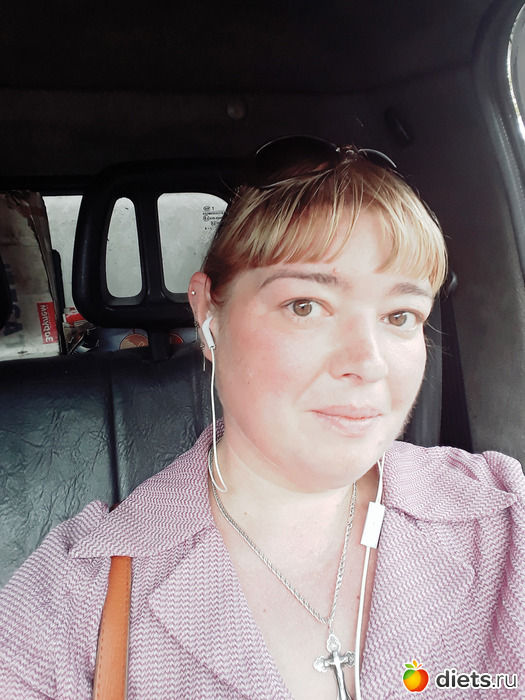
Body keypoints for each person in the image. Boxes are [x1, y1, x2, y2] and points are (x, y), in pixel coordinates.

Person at [0, 136, 523, 700]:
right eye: (305, 306)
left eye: (400, 315)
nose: (369, 362)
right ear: (208, 314)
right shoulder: (69, 602)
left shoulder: (503, 518)